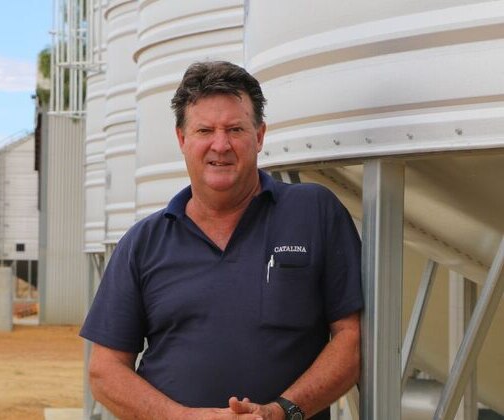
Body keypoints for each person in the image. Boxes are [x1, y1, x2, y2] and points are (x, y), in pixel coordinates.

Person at [80, 61, 362, 420]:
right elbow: (104, 371)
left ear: (259, 136)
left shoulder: (313, 212)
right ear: (182, 139)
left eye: (235, 129)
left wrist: (281, 412)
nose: (220, 144)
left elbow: (351, 340)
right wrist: (185, 418)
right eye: (204, 130)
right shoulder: (143, 242)